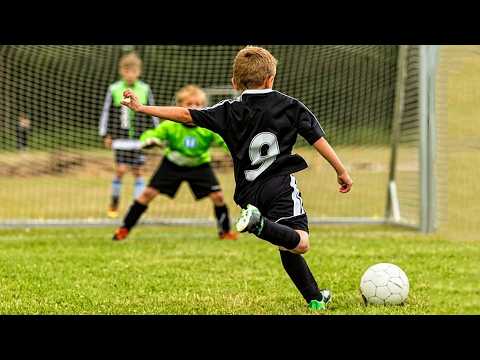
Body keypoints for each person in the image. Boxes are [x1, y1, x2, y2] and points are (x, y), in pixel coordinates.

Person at [120, 46, 353, 311]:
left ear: (234, 83)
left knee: (284, 242)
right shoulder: (290, 106)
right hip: (279, 186)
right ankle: (259, 225)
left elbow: (185, 115)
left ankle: (314, 298)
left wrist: (141, 108)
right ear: (271, 78)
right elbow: (317, 140)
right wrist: (341, 171)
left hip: (248, 193)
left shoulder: (228, 110)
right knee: (300, 242)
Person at [113, 85, 238, 241]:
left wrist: (237, 152)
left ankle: (225, 232)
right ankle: (123, 229)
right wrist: (149, 140)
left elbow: (227, 142)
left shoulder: (208, 127)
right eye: (189, 104)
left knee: (218, 197)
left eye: (198, 104)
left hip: (199, 166)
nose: (194, 107)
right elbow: (151, 135)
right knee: (147, 195)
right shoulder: (170, 125)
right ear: (180, 106)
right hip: (172, 164)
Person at [99, 52, 158, 218]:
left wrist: (155, 134)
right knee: (120, 170)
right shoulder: (114, 89)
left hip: (139, 139)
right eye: (127, 71)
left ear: (138, 71)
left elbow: (152, 112)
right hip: (120, 139)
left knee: (138, 171)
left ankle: (136, 208)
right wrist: (105, 135)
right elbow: (106, 112)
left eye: (133, 71)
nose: (130, 74)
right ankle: (114, 201)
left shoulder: (144, 89)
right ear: (121, 71)